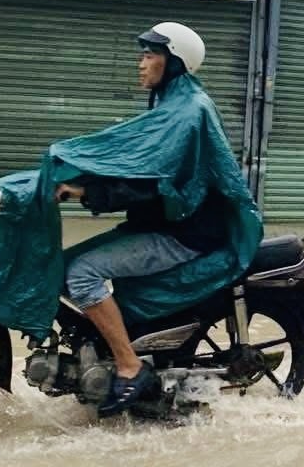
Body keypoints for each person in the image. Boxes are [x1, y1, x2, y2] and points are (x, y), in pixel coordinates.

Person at [57, 23, 238, 417]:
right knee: (58, 265)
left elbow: (158, 184)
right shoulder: (168, 103)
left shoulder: (187, 112)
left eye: (149, 55)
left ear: (173, 62)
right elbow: (132, 162)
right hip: (155, 225)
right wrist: (71, 177)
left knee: (83, 273)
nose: (140, 64)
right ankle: (97, 347)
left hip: (182, 233)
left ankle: (128, 364)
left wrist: (86, 192)